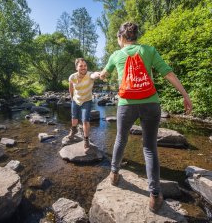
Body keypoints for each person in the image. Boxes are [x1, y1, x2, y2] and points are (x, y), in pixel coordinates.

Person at [100, 22, 192, 213]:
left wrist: (98, 74)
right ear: (135, 36)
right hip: (151, 103)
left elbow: (103, 75)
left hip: (126, 104)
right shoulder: (149, 50)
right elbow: (168, 73)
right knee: (149, 148)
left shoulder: (116, 55)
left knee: (120, 139)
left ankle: (114, 174)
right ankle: (155, 196)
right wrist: (185, 94)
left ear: (121, 38)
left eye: (118, 38)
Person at [67, 58, 100, 152]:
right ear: (76, 67)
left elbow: (94, 75)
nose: (83, 67)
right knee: (74, 119)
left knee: (85, 120)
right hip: (75, 100)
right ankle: (73, 130)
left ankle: (86, 140)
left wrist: (99, 74)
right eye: (81, 66)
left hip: (87, 100)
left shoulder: (90, 75)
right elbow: (71, 88)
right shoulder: (72, 77)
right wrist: (71, 98)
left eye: (85, 65)